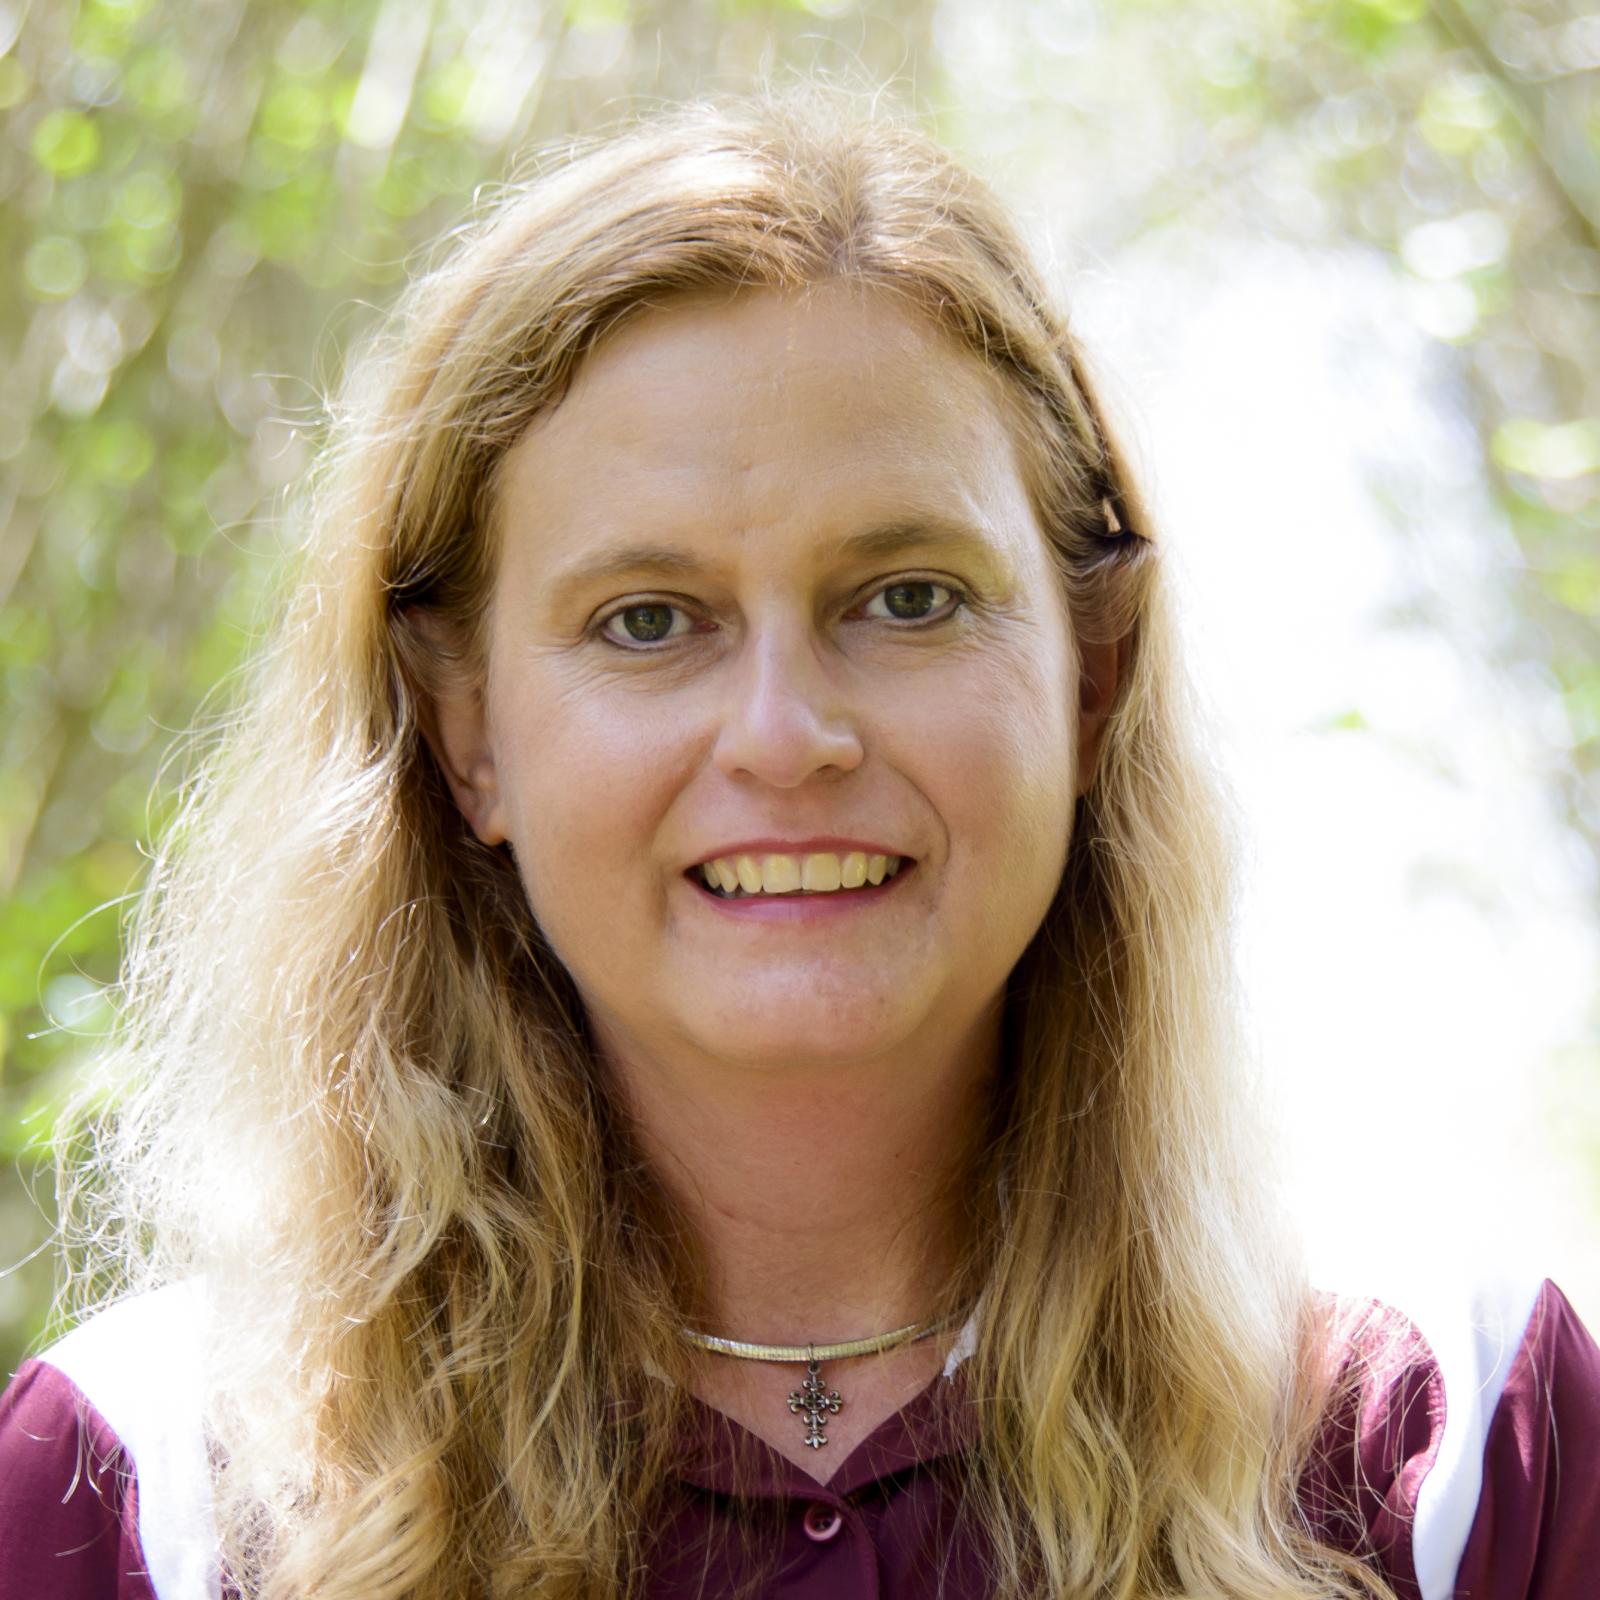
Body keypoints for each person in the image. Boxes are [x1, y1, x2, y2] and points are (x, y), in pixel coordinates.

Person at [1, 87, 1596, 1600]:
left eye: (907, 597)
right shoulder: (154, 1499)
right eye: (648, 620)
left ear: (1091, 675)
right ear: (466, 729)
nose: (785, 734)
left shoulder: (1445, 1444)